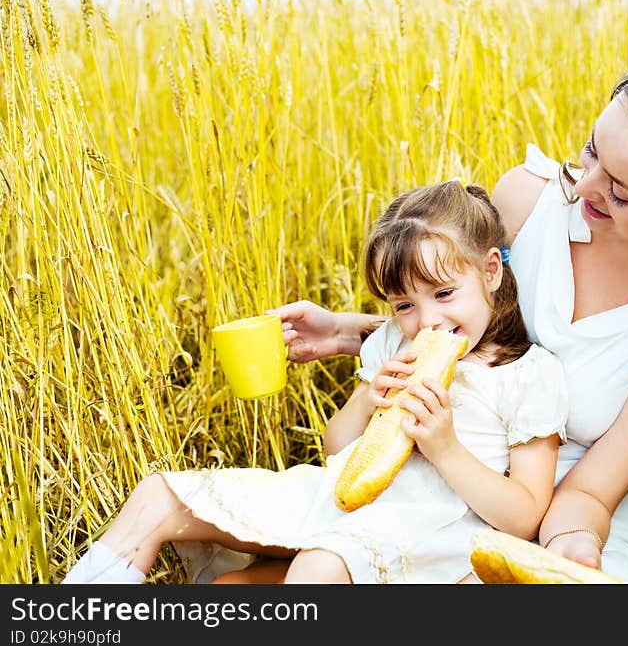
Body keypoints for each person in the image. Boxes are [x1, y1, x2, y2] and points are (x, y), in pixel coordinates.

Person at [267, 58, 628, 583]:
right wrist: (346, 331)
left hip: (558, 524)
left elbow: (589, 493)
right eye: (592, 150)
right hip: (435, 496)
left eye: (619, 192)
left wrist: (572, 549)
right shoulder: (525, 201)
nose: (585, 186)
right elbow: (471, 334)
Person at [60, 181, 567, 585]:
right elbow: (338, 449)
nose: (426, 320)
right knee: (158, 497)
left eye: (444, 293)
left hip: (430, 533)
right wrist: (369, 401)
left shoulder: (526, 375)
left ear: (492, 272)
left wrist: (444, 446)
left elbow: (523, 516)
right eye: (405, 304)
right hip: (338, 501)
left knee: (315, 569)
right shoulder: (395, 342)